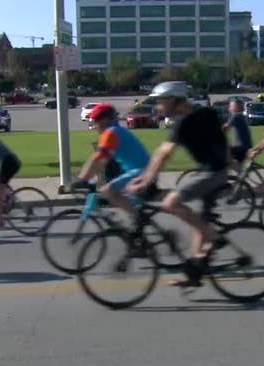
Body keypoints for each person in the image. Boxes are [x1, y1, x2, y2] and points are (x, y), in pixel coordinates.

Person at [126, 81, 229, 287]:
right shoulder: (206, 113)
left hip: (213, 174)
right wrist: (146, 176)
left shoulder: (184, 122)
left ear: (173, 100)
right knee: (197, 222)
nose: (158, 107)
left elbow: (163, 154)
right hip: (217, 171)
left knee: (171, 203)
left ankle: (213, 236)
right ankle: (195, 273)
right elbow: (221, 140)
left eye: (161, 102)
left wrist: (146, 180)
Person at [74, 103, 151, 215]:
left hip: (139, 172)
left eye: (95, 121)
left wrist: (83, 178)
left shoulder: (111, 132)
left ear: (104, 120)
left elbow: (97, 157)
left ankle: (138, 218)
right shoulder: (118, 130)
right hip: (141, 170)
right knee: (114, 192)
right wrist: (92, 178)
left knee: (107, 190)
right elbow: (103, 161)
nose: (94, 125)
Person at [222, 99, 252, 173]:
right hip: (244, 147)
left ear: (237, 107)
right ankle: (241, 177)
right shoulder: (241, 116)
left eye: (231, 106)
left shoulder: (236, 115)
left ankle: (241, 176)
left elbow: (225, 128)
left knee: (222, 156)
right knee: (237, 166)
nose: (229, 108)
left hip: (240, 147)